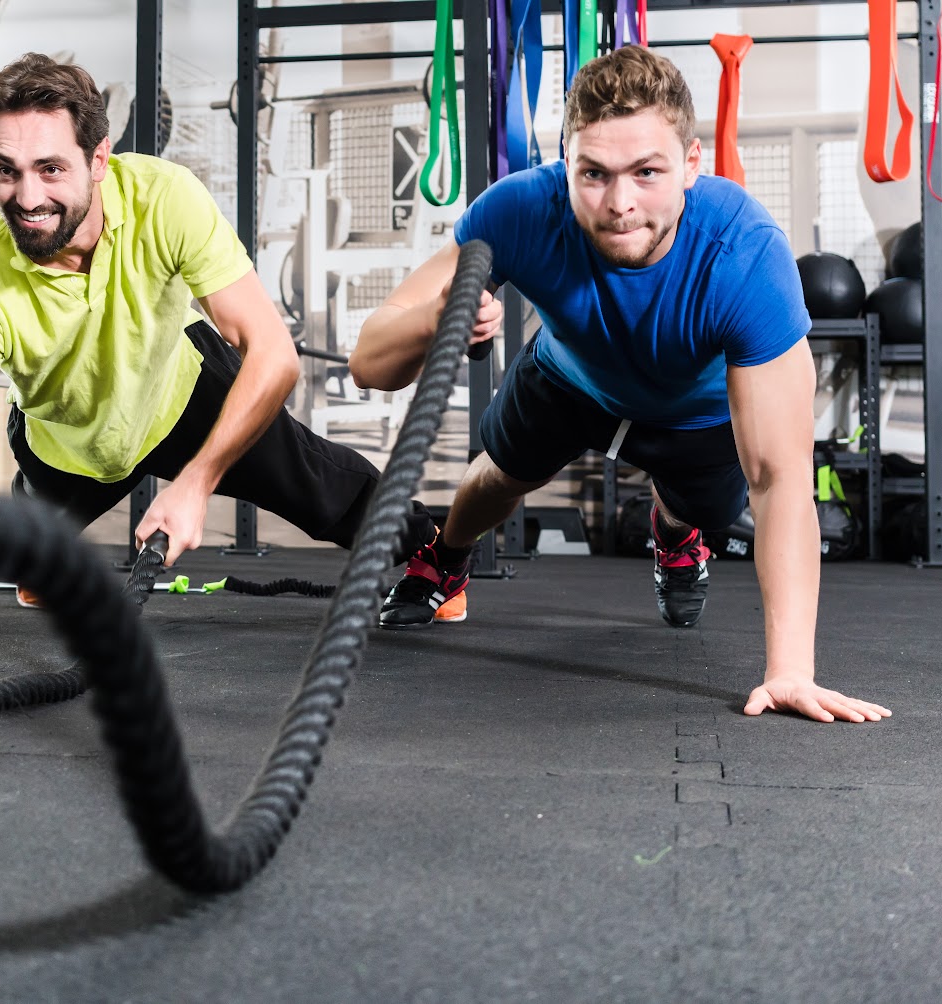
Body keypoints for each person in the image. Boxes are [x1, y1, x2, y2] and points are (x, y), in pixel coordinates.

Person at [0, 53, 436, 682]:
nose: (27, 196)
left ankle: (436, 552)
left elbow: (273, 353)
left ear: (99, 161)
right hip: (66, 438)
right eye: (6, 171)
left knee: (326, 492)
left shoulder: (164, 197)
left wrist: (195, 483)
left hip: (179, 396)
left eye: (51, 169)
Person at [350, 46, 889, 724]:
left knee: (704, 507)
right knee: (496, 478)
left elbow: (780, 480)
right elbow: (370, 362)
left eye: (647, 173)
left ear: (692, 164)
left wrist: (789, 672)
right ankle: (447, 560)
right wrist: (435, 320)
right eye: (594, 174)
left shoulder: (744, 254)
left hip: (692, 415)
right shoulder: (519, 211)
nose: (619, 203)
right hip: (570, 378)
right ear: (564, 163)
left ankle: (674, 532)